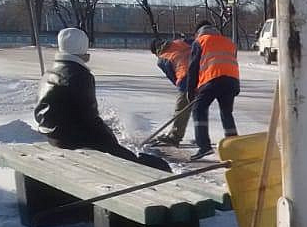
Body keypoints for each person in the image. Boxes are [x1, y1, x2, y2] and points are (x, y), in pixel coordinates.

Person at [34, 27, 170, 171]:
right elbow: (89, 119)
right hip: (76, 139)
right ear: (83, 47)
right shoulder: (78, 75)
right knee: (147, 165)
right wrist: (111, 141)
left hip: (56, 137)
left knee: (126, 155)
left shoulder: (49, 73)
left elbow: (40, 113)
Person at [185, 20, 240, 160]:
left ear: (198, 32)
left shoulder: (200, 41)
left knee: (199, 109)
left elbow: (193, 68)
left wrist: (190, 91)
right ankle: (234, 145)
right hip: (232, 82)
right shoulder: (228, 42)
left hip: (212, 80)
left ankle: (204, 146)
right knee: (227, 113)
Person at [150, 35, 193, 146]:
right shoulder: (180, 42)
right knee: (200, 109)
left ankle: (175, 137)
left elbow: (174, 79)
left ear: (156, 51)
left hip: (186, 78)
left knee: (181, 109)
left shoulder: (162, 59)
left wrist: (185, 90)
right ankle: (202, 138)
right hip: (204, 73)